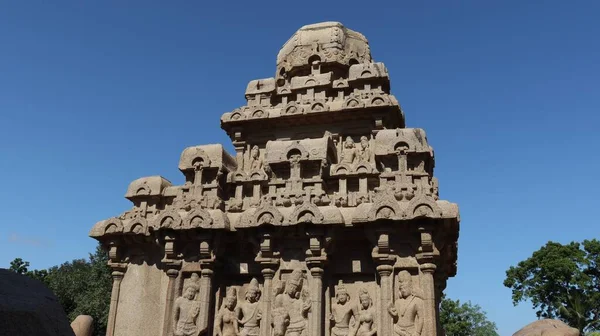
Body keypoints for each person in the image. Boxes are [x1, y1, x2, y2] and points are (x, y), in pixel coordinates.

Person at [274, 268, 311, 336]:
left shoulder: (299, 301)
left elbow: (302, 316)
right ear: (288, 284)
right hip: (285, 325)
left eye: (295, 288)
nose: (292, 289)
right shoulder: (280, 298)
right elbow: (276, 314)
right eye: (291, 286)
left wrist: (304, 311)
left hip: (298, 325)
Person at [388, 271, 423, 336]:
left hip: (411, 331)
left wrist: (418, 332)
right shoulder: (397, 302)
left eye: (405, 288)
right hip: (397, 330)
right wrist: (393, 313)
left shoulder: (417, 301)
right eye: (401, 289)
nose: (403, 290)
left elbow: (421, 317)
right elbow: (396, 318)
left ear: (410, 286)